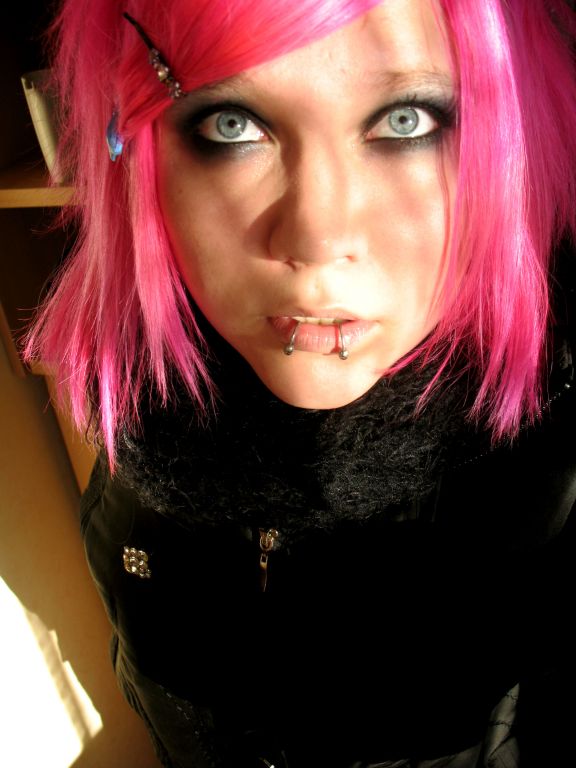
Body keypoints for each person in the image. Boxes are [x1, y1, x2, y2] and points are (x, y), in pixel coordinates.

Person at [25, 0, 576, 766]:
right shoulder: (142, 417)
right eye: (231, 126)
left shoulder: (547, 481)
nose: (317, 239)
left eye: (407, 121)